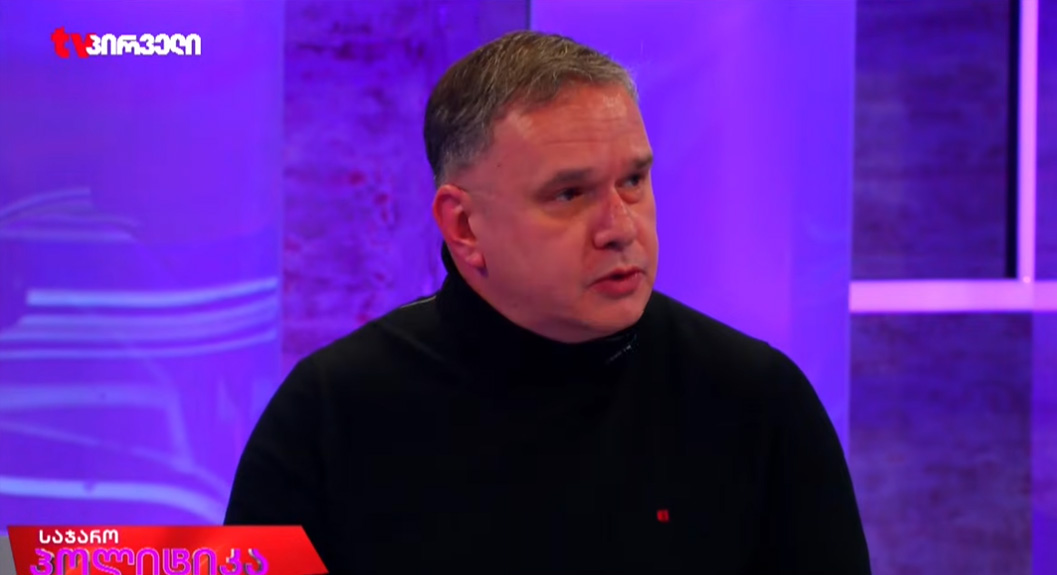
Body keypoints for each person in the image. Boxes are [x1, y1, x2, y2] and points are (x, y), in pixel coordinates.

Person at [224, 30, 872, 574]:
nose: (619, 226)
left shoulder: (756, 401)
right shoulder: (328, 416)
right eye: (569, 194)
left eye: (633, 180)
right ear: (464, 226)